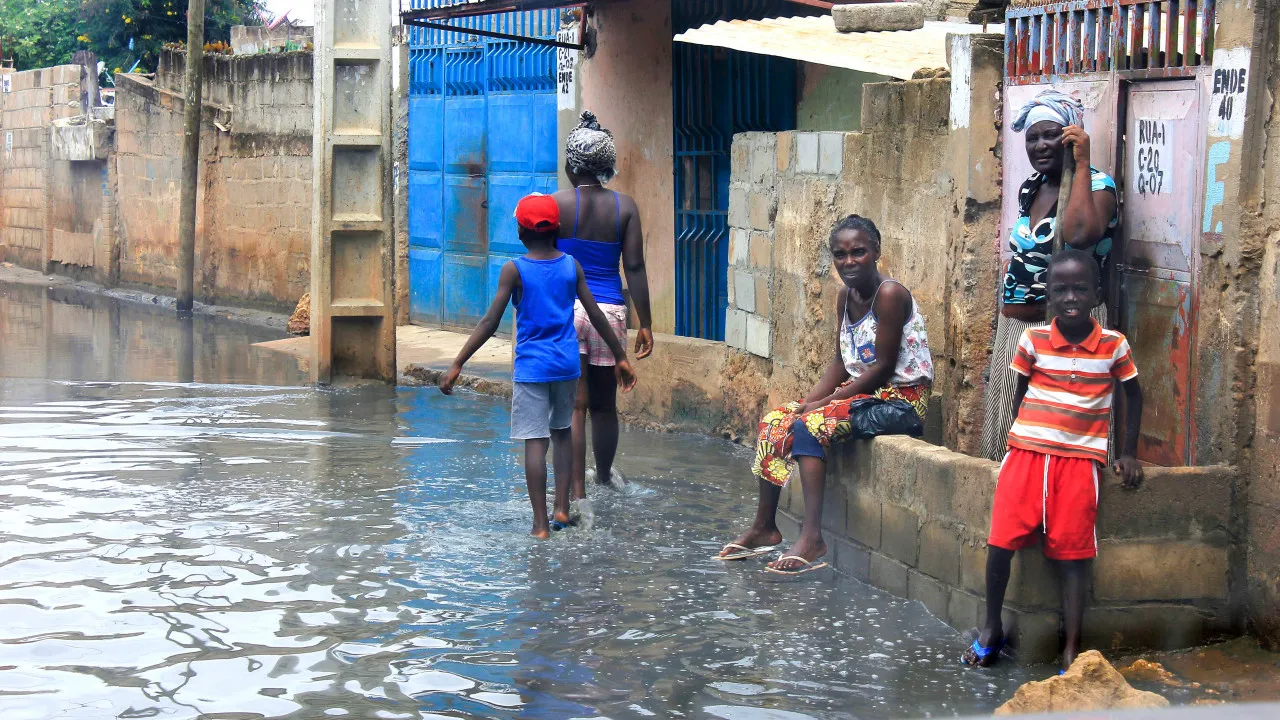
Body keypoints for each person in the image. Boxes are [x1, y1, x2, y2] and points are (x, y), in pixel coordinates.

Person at [716, 215, 934, 575]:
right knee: (776, 422)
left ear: (877, 251)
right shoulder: (845, 297)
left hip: (901, 402)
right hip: (864, 396)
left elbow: (882, 368)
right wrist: (806, 402)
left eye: (858, 252)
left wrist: (823, 405)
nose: (849, 262)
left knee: (811, 425)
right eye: (840, 254)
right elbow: (842, 362)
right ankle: (764, 527)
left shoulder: (890, 295)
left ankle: (812, 537)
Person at [964, 249, 1143, 672]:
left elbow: (1133, 395)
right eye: (1060, 290)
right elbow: (1019, 394)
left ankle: (1071, 648)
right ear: (1049, 296)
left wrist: (1128, 452)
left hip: (1080, 461)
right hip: (1026, 456)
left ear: (1096, 294)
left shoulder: (1114, 345)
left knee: (1073, 555)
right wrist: (1018, 440)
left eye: (1080, 289)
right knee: (1000, 543)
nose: (1070, 298)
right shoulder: (1033, 340)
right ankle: (991, 627)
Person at [439, 194, 637, 539]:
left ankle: (541, 525)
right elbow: (593, 313)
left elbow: (489, 321)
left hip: (532, 369)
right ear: (557, 229)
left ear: (520, 231)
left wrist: (458, 363)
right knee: (562, 435)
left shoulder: (514, 270)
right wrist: (620, 356)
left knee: (535, 441)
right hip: (566, 366)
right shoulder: (571, 265)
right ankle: (562, 509)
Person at [979, 90, 1120, 461]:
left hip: (1065, 332)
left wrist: (1081, 164)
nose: (1040, 145)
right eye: (1032, 138)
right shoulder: (1032, 186)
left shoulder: (1098, 187)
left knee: (1058, 433)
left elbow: (1079, 234)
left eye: (1051, 135)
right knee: (1011, 432)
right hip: (1017, 330)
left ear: (1071, 137)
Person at [553, 111, 654, 500]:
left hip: (566, 312)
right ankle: (605, 477)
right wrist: (646, 323)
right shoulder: (625, 207)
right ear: (606, 166)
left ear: (570, 165)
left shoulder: (555, 205)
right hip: (608, 313)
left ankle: (576, 491)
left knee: (575, 406)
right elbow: (635, 267)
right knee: (604, 406)